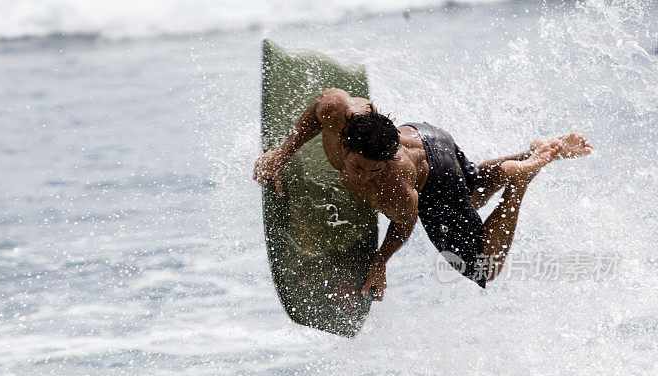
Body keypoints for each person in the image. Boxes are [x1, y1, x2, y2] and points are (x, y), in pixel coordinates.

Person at [253, 88, 593, 300]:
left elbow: (404, 224)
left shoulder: (395, 187)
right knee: (470, 192)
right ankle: (527, 157)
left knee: (482, 268)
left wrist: (380, 261)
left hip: (434, 173)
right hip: (428, 136)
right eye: (359, 168)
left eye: (374, 170)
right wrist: (282, 154)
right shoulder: (337, 108)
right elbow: (320, 110)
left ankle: (519, 180)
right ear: (344, 141)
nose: (364, 178)